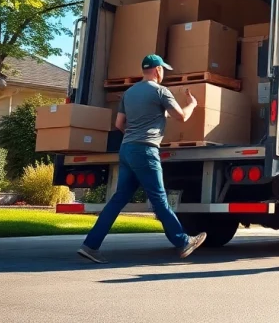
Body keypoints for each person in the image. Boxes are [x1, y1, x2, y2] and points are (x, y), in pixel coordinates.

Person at [78, 54, 207, 264]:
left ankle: (90, 245)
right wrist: (191, 104)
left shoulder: (129, 93)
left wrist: (139, 129)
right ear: (157, 70)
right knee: (159, 199)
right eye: (163, 69)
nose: (163, 72)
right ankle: (183, 242)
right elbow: (181, 117)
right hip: (145, 151)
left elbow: (119, 123)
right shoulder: (160, 91)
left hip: (127, 148)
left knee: (118, 199)